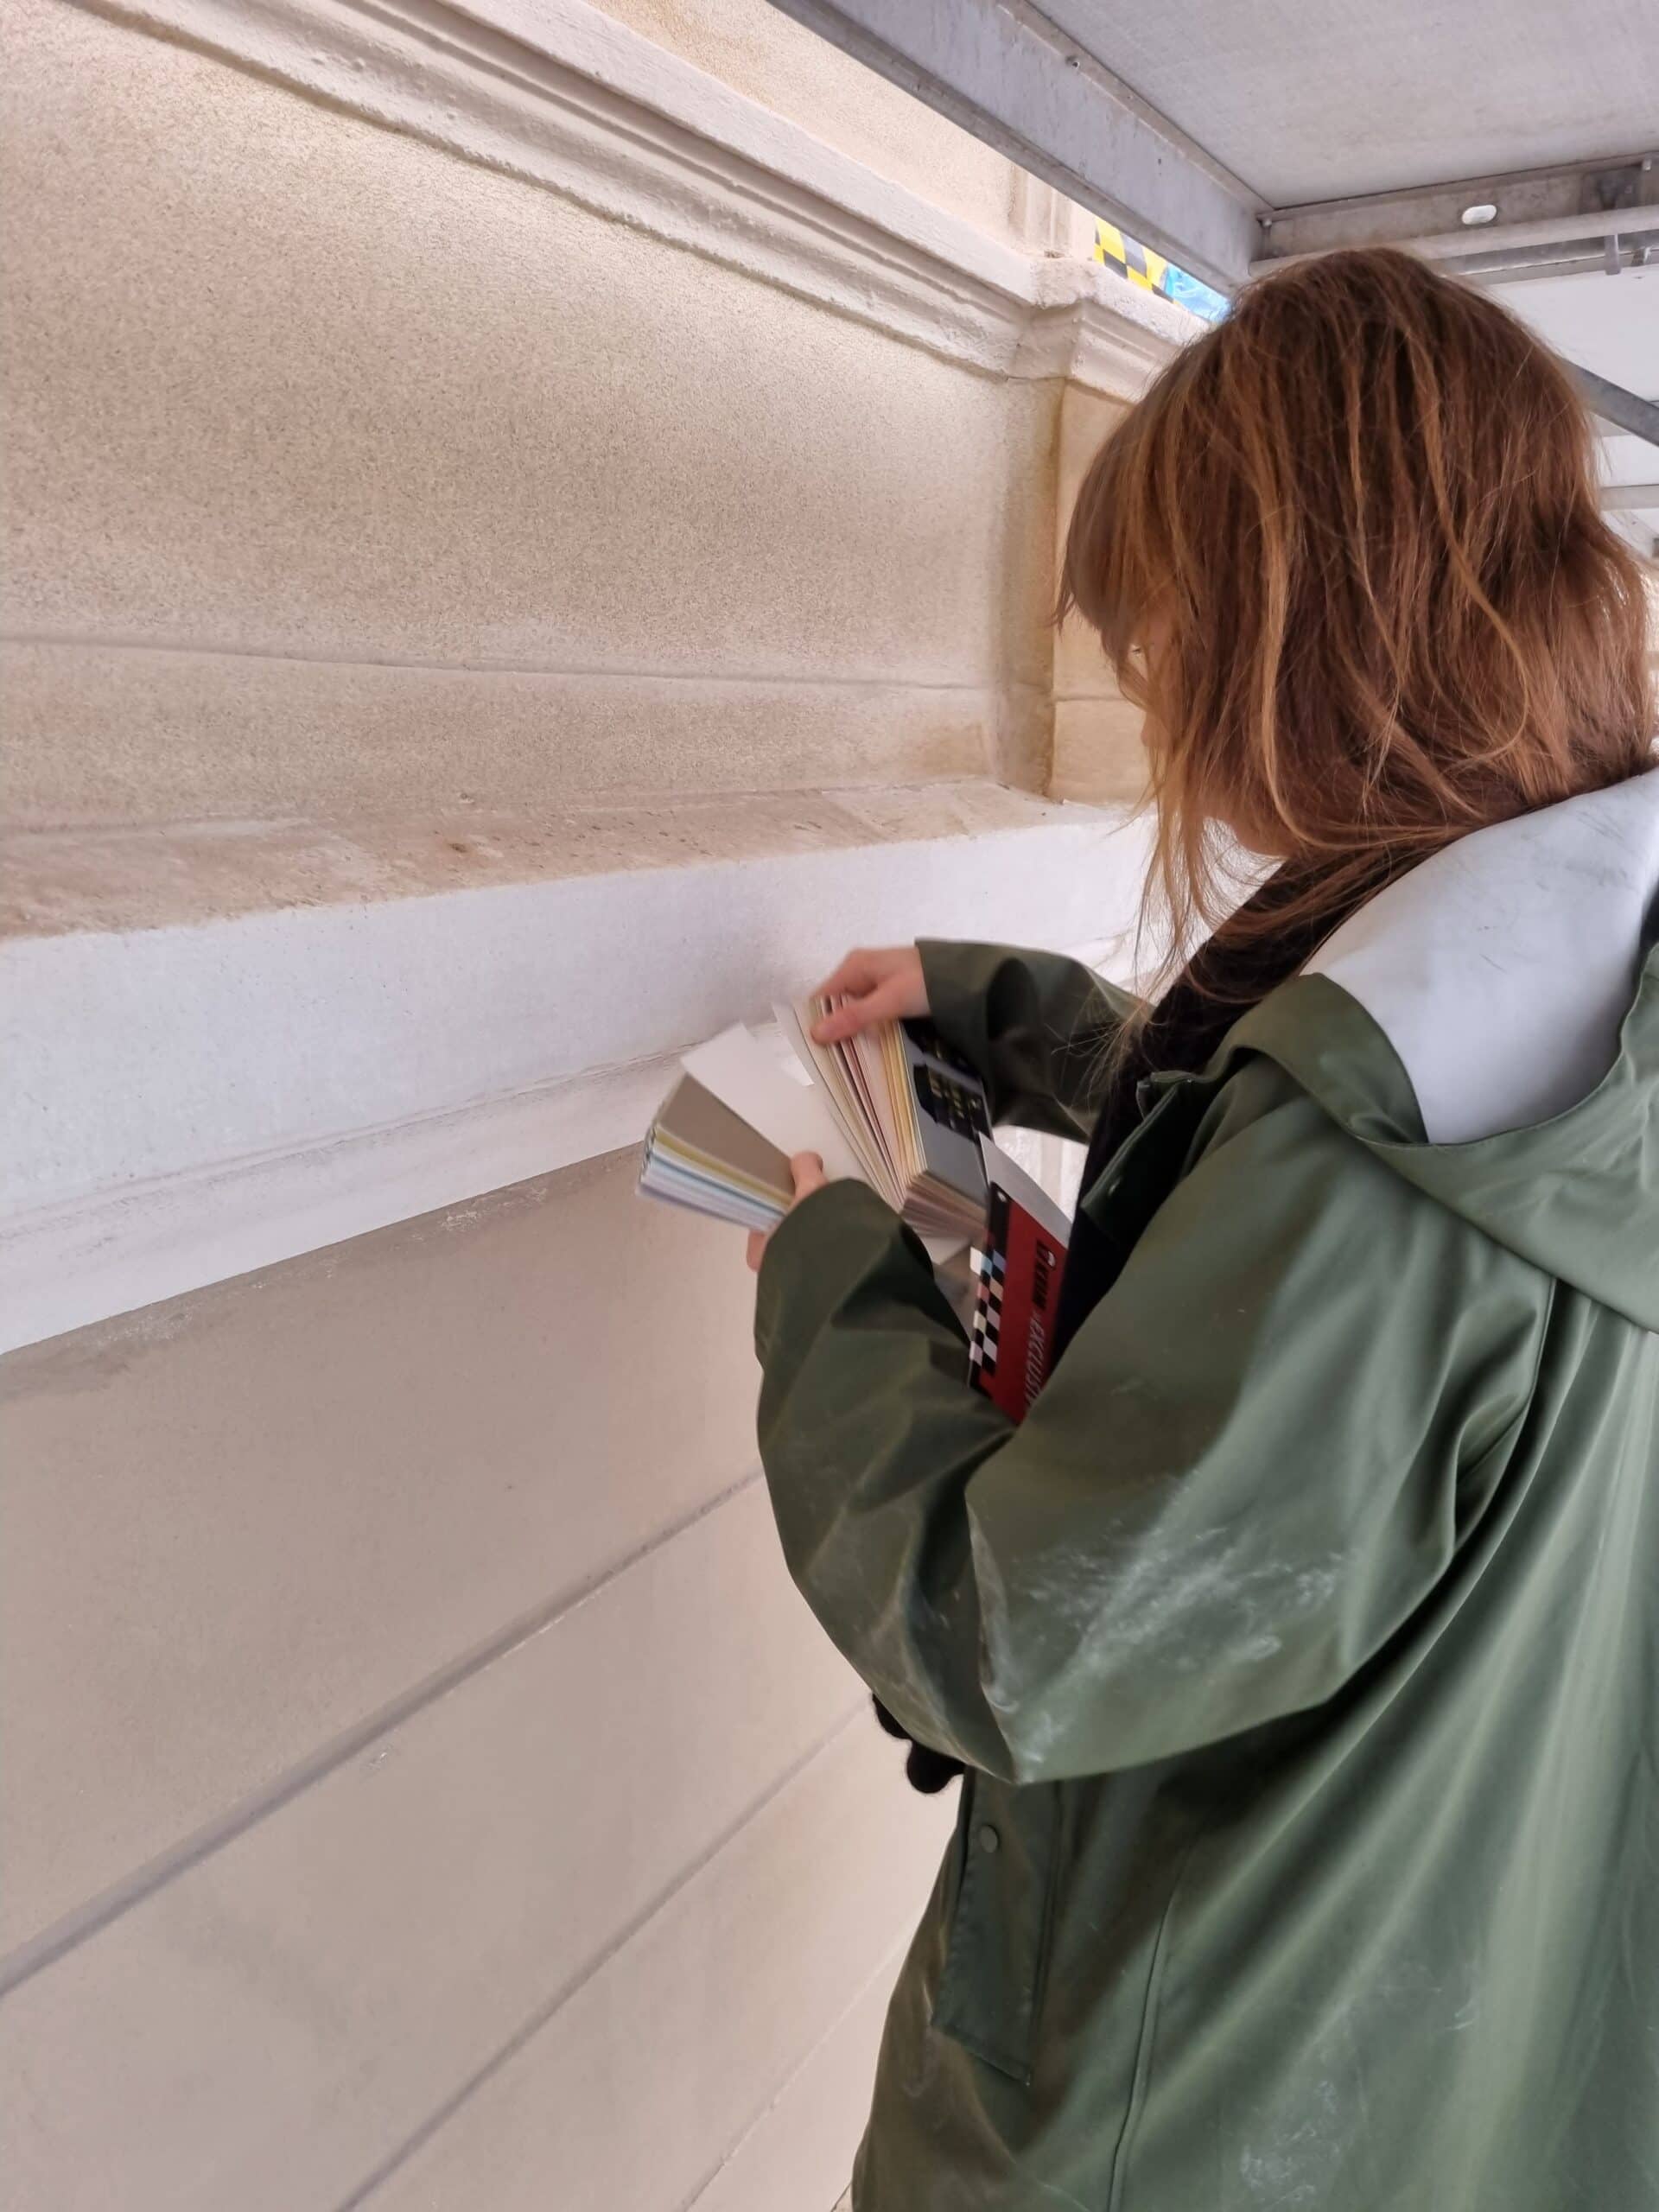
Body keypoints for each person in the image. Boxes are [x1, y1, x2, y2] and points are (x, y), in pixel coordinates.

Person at [745, 248, 1659, 2210]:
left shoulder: (1376, 1171)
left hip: (1189, 2109)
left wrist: (828, 1279)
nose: (1155, 700)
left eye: (1163, 637)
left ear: (1290, 625)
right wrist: (1017, 1014)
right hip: (1449, 2033)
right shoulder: (1594, 962)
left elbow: (1015, 1633)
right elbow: (1319, 1094)